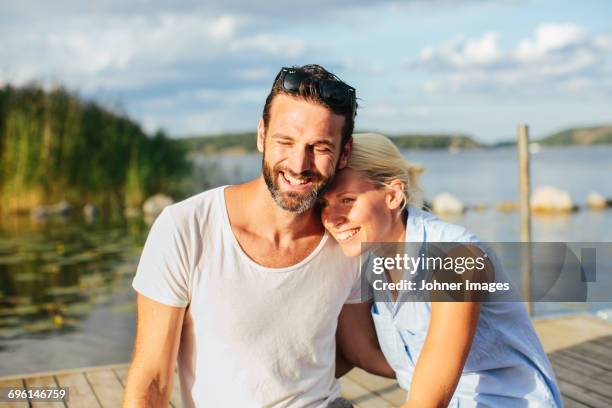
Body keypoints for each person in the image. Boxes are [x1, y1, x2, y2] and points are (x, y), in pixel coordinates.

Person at [123, 66, 392, 408]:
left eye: (320, 147)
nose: (298, 163)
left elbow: (358, 349)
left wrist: (449, 364)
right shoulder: (186, 227)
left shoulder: (346, 238)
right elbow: (152, 380)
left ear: (345, 153)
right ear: (262, 136)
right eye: (286, 141)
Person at [321, 133, 563, 407]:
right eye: (324, 204)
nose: (332, 218)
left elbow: (428, 402)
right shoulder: (365, 262)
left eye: (347, 200)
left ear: (392, 195)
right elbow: (360, 351)